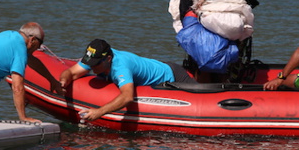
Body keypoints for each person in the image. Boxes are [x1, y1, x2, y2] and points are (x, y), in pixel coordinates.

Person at [58, 39, 197, 121]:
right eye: (90, 63)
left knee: (203, 96)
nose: (91, 66)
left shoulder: (121, 67)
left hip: (172, 75)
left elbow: (127, 96)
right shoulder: (96, 58)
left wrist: (98, 112)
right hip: (158, 68)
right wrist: (63, 81)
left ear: (108, 59)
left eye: (95, 64)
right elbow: (70, 72)